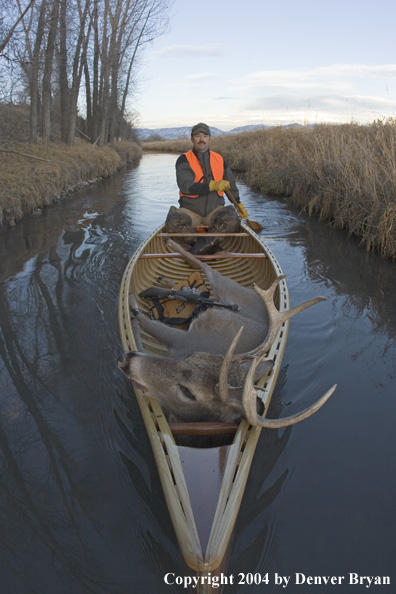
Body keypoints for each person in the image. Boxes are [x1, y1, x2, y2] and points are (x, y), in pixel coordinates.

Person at [164, 122, 248, 254]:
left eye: (204, 135)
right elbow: (186, 186)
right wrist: (212, 185)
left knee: (232, 218)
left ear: (209, 138)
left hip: (214, 210)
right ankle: (211, 248)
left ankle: (196, 250)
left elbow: (230, 184)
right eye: (197, 136)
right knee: (173, 219)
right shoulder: (183, 159)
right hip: (191, 212)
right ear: (192, 139)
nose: (201, 139)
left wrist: (238, 203)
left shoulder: (219, 159)